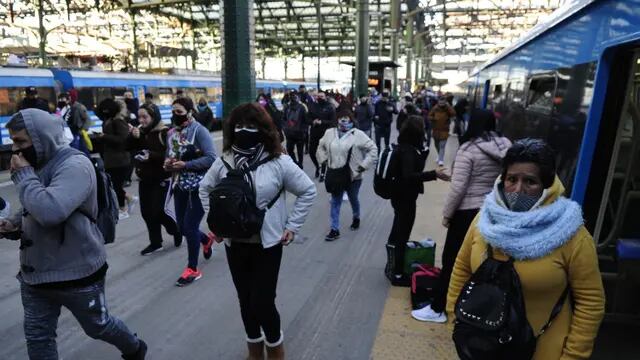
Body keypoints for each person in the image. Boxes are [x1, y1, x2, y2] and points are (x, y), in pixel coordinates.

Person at [1, 109, 147, 360]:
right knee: (38, 336)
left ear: (41, 138)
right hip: (36, 273)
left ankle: (134, 347)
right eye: (13, 141)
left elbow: (50, 210)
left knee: (98, 326)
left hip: (77, 272)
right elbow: (32, 205)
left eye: (21, 141)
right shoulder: (38, 163)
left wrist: (23, 177)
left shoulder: (75, 165)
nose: (15, 149)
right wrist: (14, 223)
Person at [443, 139, 605, 359]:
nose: (518, 189)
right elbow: (461, 268)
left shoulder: (571, 234)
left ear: (547, 185)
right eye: (512, 179)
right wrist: (456, 317)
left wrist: (574, 355)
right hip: (481, 346)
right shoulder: (484, 220)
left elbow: (591, 302)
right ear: (502, 180)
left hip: (544, 352)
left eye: (530, 181)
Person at [199, 103, 316, 360]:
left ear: (263, 129)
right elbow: (204, 188)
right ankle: (254, 350)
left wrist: (292, 226)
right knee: (245, 300)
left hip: (268, 244)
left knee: (262, 302)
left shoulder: (279, 162)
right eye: (239, 126)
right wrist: (215, 225)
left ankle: (275, 349)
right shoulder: (224, 161)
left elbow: (308, 190)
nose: (244, 131)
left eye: (251, 126)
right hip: (235, 243)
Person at [411, 109, 511, 323]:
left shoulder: (469, 149)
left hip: (467, 213)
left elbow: (459, 189)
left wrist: (447, 215)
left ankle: (438, 308)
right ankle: (476, 309)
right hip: (494, 211)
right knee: (482, 262)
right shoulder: (506, 146)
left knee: (453, 261)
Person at [386, 116, 450, 285]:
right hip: (405, 197)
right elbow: (409, 176)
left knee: (397, 231)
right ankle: (398, 274)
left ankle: (391, 266)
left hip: (399, 196)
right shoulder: (407, 151)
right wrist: (434, 174)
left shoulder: (406, 148)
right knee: (402, 235)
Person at [164, 97, 217, 287]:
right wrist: (168, 164)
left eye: (179, 112)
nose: (175, 115)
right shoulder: (171, 133)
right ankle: (206, 240)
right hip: (179, 185)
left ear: (189, 112)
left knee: (190, 226)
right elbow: (168, 156)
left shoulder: (200, 131)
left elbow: (212, 158)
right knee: (182, 227)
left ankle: (192, 269)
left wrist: (187, 164)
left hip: (200, 187)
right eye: (173, 111)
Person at [129, 104, 182, 255]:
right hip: (145, 178)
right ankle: (155, 242)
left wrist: (151, 155)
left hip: (162, 178)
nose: (142, 120)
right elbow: (128, 147)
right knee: (146, 212)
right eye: (139, 117)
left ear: (154, 117)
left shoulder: (165, 132)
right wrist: (132, 137)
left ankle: (176, 230)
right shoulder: (141, 132)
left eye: (145, 117)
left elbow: (172, 155)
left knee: (159, 211)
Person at [317, 110, 378, 241]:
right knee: (335, 202)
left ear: (351, 120)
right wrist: (323, 160)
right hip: (335, 174)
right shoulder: (329, 133)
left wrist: (363, 165)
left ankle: (356, 217)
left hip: (353, 175)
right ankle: (334, 229)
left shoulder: (358, 135)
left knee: (353, 198)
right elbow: (320, 146)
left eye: (346, 118)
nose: (343, 121)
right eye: (340, 118)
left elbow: (373, 149)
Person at [95, 99, 137, 220]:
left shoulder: (118, 122)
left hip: (119, 160)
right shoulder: (108, 120)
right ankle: (129, 198)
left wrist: (105, 137)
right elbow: (97, 111)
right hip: (112, 159)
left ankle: (123, 209)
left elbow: (123, 140)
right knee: (114, 185)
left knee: (116, 186)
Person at [308, 91, 336, 181]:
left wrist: (322, 122)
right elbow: (307, 117)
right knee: (312, 152)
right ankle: (317, 167)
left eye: (322, 96)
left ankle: (323, 172)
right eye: (318, 96)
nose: (319, 98)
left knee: (323, 153)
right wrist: (313, 121)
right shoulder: (313, 106)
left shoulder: (330, 107)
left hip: (325, 133)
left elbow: (333, 121)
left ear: (325, 97)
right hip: (314, 132)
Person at [282, 92, 308, 168]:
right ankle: (296, 163)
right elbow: (283, 119)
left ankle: (300, 164)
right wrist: (285, 128)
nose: (293, 98)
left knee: (300, 151)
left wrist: (304, 130)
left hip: (299, 133)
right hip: (290, 133)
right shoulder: (287, 107)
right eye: (291, 96)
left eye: (294, 96)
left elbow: (305, 120)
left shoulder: (302, 107)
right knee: (289, 149)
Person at [429, 96, 456, 166]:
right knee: (436, 144)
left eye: (443, 103)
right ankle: (439, 155)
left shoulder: (448, 108)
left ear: (445, 102)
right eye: (440, 103)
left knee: (442, 146)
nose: (441, 104)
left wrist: (448, 106)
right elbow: (429, 116)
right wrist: (434, 118)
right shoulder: (435, 108)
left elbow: (453, 114)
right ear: (438, 102)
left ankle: (441, 160)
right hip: (436, 130)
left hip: (444, 130)